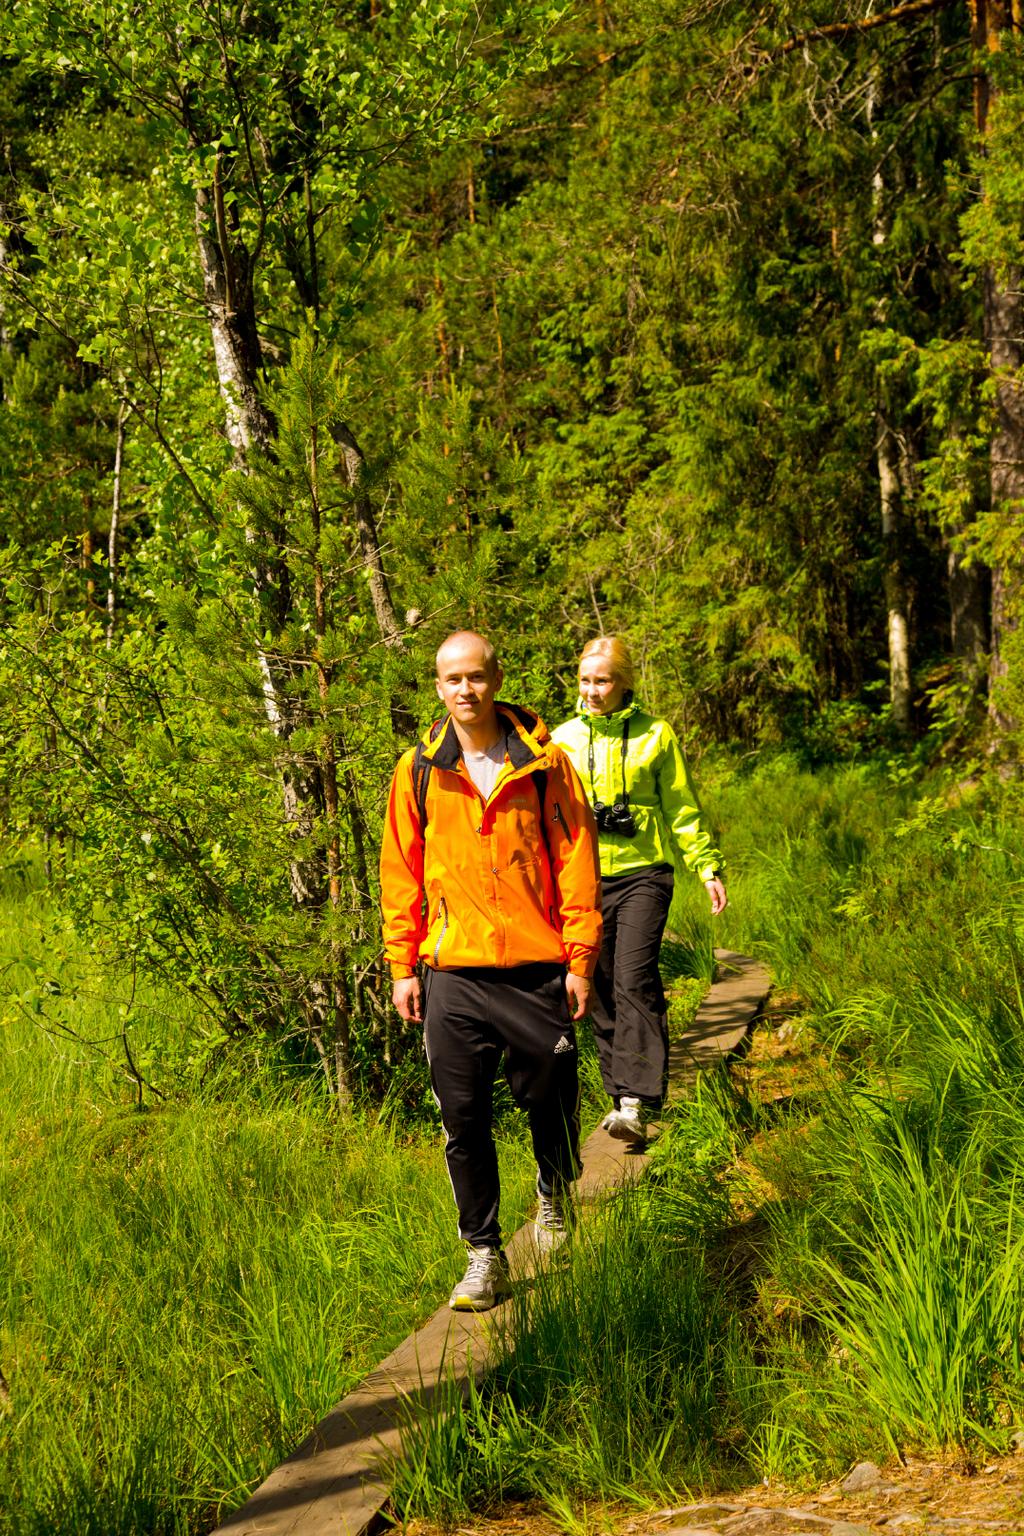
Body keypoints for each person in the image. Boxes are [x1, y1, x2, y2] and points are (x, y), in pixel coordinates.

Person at [379, 630, 602, 1312]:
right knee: (463, 1116)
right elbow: (401, 870)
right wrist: (402, 964)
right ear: (438, 688)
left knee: (552, 1097)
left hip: (535, 965)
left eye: (475, 676)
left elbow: (575, 857)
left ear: (496, 678)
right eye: (452, 679)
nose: (465, 690)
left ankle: (554, 1190)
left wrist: (580, 957)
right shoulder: (417, 770)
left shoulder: (546, 764)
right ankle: (484, 1253)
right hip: (451, 971)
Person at [551, 636, 727, 1145]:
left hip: (644, 873)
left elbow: (681, 806)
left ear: (624, 682)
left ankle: (640, 1099)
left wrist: (706, 866)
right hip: (583, 879)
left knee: (634, 978)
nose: (592, 691)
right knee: (599, 988)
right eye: (584, 680)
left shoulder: (656, 734)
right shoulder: (561, 740)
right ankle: (619, 1097)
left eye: (602, 681)